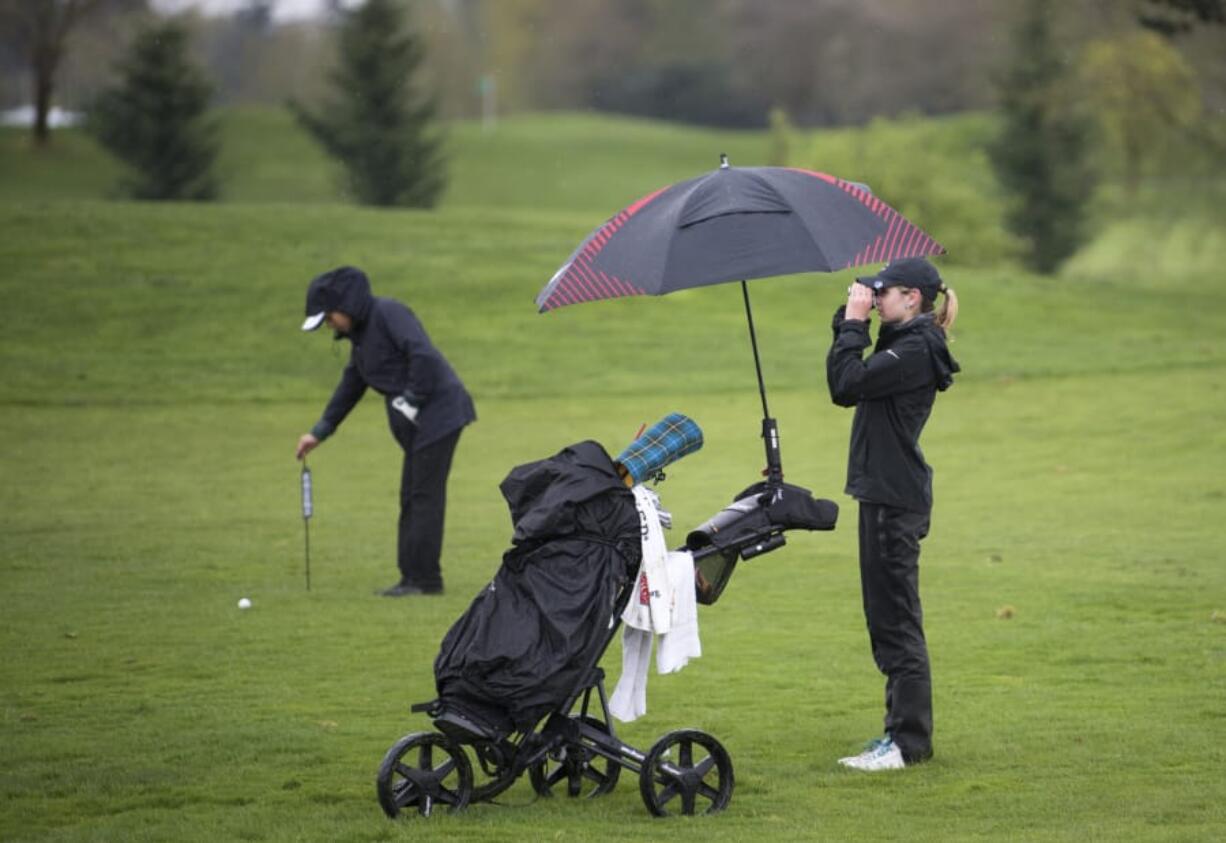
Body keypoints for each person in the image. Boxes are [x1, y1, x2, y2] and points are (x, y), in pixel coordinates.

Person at [825, 257, 960, 770]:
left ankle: (906, 743)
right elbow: (849, 375)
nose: (875, 297)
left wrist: (857, 324)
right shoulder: (904, 342)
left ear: (913, 299)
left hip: (893, 499)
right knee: (887, 619)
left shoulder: (915, 349)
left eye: (885, 291)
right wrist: (852, 321)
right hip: (885, 495)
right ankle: (902, 737)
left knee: (897, 623)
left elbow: (846, 385)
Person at [294, 266, 476, 597]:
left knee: (422, 497)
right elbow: (351, 386)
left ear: (344, 306)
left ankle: (425, 580)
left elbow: (422, 354)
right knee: (411, 496)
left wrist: (412, 399)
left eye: (329, 317)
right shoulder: (361, 340)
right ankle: (412, 578)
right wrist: (319, 432)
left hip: (441, 416)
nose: (330, 326)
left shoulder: (388, 313)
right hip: (420, 426)